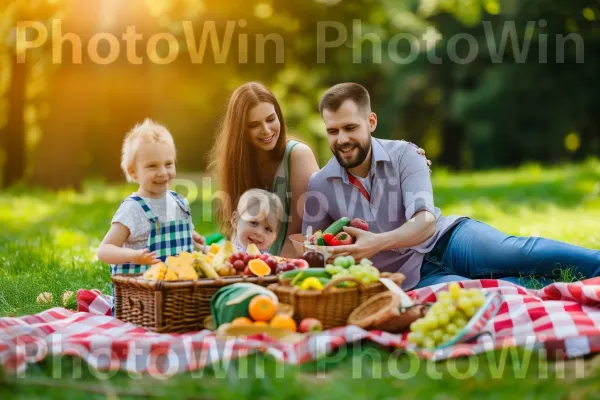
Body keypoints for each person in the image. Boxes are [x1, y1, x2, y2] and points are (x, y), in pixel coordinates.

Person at [302, 83, 600, 290]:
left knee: (519, 253)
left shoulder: (405, 154)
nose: (341, 139)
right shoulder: (319, 185)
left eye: (350, 127)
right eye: (333, 131)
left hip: (447, 240)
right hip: (410, 279)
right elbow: (310, 250)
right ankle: (568, 289)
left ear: (371, 122)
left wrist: (376, 243)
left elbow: (426, 222)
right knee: (491, 292)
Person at [208, 82, 320, 257]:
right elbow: (237, 230)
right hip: (251, 264)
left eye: (270, 119)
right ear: (240, 130)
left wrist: (274, 271)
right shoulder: (238, 163)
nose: (266, 130)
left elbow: (298, 235)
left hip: (289, 263)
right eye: (254, 125)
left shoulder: (298, 155)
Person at [97, 119, 205, 275]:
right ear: (133, 171)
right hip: (140, 291)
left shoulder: (179, 202)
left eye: (168, 164)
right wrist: (134, 256)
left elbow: (178, 237)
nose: (162, 172)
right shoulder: (133, 208)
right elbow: (104, 251)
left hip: (178, 288)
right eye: (152, 166)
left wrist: (194, 239)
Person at [230, 189, 284, 253]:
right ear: (235, 220)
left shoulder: (270, 261)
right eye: (253, 223)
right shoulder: (221, 254)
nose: (260, 232)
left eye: (268, 229)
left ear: (275, 237)